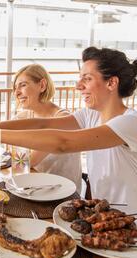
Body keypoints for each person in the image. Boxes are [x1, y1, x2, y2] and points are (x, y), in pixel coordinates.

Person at [0, 47, 137, 230]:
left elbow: (63, 143)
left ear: (112, 83)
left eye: (86, 79)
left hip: (136, 230)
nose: (78, 86)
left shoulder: (132, 123)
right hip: (102, 223)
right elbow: (41, 123)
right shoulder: (91, 116)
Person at [12, 64, 82, 192]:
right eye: (15, 87)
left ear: (42, 85)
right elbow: (16, 156)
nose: (16, 92)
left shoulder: (62, 119)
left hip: (63, 194)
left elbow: (28, 161)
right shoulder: (23, 116)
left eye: (23, 85)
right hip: (36, 186)